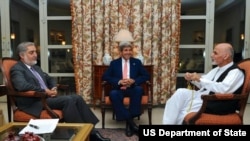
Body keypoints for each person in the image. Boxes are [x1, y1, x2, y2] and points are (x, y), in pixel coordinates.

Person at [10, 42, 110, 141]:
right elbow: (21, 85)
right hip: (34, 102)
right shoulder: (17, 69)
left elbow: (49, 79)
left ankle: (92, 133)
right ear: (22, 55)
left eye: (35, 52)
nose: (35, 55)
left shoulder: (35, 68)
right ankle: (80, 135)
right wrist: (45, 90)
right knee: (68, 100)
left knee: (77, 97)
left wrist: (53, 87)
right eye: (31, 52)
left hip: (46, 98)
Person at [162, 42, 245, 124]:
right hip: (204, 96)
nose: (211, 55)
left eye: (215, 53)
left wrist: (200, 79)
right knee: (180, 93)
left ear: (226, 56)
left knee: (182, 111)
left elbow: (223, 89)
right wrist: (193, 79)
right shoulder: (217, 69)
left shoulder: (235, 72)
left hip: (216, 103)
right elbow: (204, 83)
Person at [102, 41, 150, 136]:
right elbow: (105, 77)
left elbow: (146, 75)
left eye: (130, 50)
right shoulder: (114, 63)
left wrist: (134, 81)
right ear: (121, 52)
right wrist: (119, 81)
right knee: (113, 94)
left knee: (138, 90)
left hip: (132, 88)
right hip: (119, 89)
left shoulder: (137, 62)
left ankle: (129, 123)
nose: (128, 52)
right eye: (125, 50)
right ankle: (131, 123)